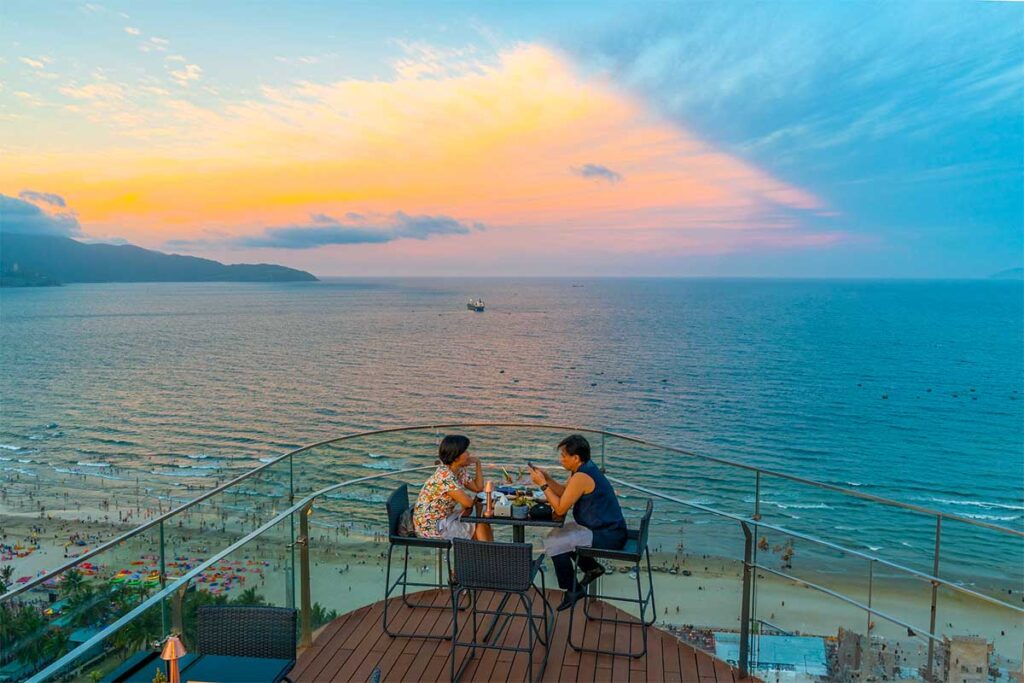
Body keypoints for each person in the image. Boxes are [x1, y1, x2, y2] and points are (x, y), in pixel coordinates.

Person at [530, 434, 626, 611]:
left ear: (576, 458)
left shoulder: (581, 477)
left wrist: (542, 485)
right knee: (558, 535)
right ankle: (592, 569)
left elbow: (559, 509)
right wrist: (548, 479)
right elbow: (564, 493)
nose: (561, 460)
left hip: (607, 535)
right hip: (608, 529)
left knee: (555, 541)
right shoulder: (582, 470)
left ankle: (573, 590)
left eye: (564, 456)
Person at [413, 434, 493, 541]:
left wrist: (478, 463)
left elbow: (478, 487)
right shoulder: (445, 476)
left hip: (444, 518)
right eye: (465, 451)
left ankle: (486, 555)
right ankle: (488, 555)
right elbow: (468, 503)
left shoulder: (458, 470)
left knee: (481, 524)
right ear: (456, 457)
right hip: (431, 526)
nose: (468, 454)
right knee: (480, 525)